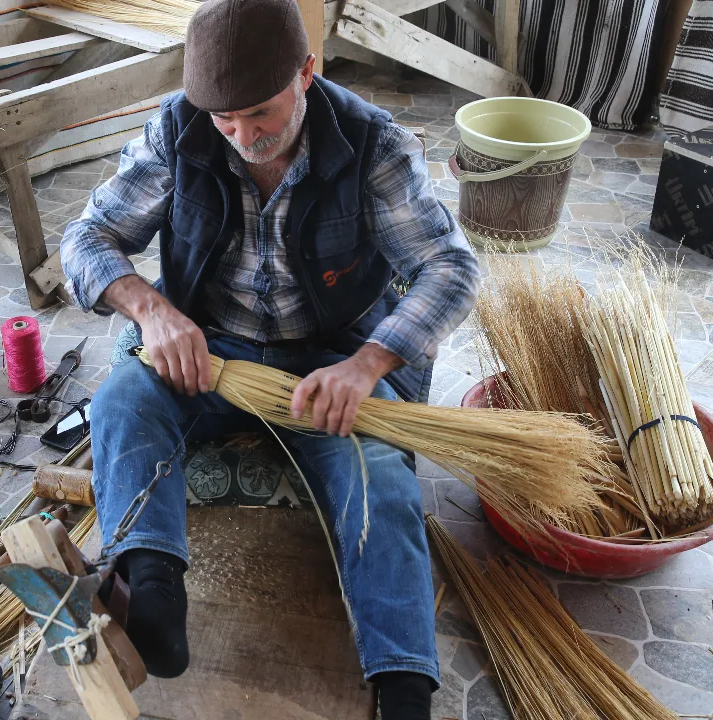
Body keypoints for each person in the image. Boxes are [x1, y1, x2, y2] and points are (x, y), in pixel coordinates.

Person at [59, 0, 480, 715]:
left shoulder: (372, 144)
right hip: (212, 347)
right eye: (224, 119)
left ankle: (403, 685)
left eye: (260, 114)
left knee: (379, 476)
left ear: (306, 73)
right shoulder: (179, 128)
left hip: (332, 359)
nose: (242, 136)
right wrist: (153, 310)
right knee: (122, 402)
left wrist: (371, 363)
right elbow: (87, 238)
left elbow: (451, 267)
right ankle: (152, 587)